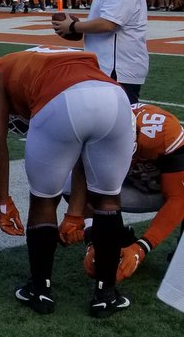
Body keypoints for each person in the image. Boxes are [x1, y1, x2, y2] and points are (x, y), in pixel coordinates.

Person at [0, 46, 135, 318]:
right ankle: (106, 294)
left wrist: (3, 201)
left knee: (43, 199)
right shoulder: (62, 57)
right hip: (114, 97)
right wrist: (75, 213)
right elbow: (82, 152)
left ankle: (40, 290)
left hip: (58, 102)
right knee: (109, 198)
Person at [58, 102, 184, 284]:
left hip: (166, 186)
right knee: (70, 183)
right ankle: (118, 238)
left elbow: (178, 198)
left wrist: (142, 247)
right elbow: (84, 181)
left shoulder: (164, 133)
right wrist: (91, 236)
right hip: (128, 185)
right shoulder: (93, 135)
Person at [51, 0, 148, 102]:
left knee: (120, 124)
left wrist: (73, 26)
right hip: (108, 65)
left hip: (118, 68)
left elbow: (108, 24)